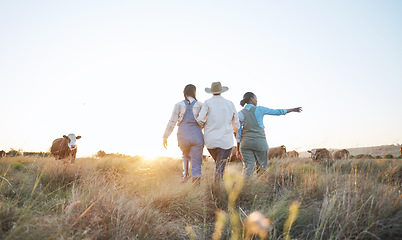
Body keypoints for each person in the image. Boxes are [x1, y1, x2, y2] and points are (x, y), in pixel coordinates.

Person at [237, 92, 302, 178]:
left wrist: (238, 147)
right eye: (256, 99)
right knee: (262, 167)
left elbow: (238, 132)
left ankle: (244, 187)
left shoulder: (240, 113)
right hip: (259, 142)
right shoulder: (259, 109)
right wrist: (293, 109)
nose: (257, 101)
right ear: (251, 99)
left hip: (245, 143)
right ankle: (261, 186)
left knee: (247, 168)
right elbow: (277, 112)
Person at [196, 82, 240, 181]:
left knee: (219, 164)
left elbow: (200, 119)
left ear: (212, 92)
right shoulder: (229, 103)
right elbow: (236, 122)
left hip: (210, 141)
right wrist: (234, 130)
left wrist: (204, 125)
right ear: (221, 91)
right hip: (225, 140)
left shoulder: (207, 102)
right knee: (220, 166)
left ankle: (218, 186)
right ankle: (218, 187)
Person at [163, 84, 204, 183]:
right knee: (196, 161)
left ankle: (185, 176)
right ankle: (196, 183)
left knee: (185, 155)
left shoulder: (178, 105)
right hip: (197, 136)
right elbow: (206, 121)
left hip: (182, 136)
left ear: (184, 93)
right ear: (194, 92)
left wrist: (165, 136)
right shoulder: (200, 105)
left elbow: (172, 122)